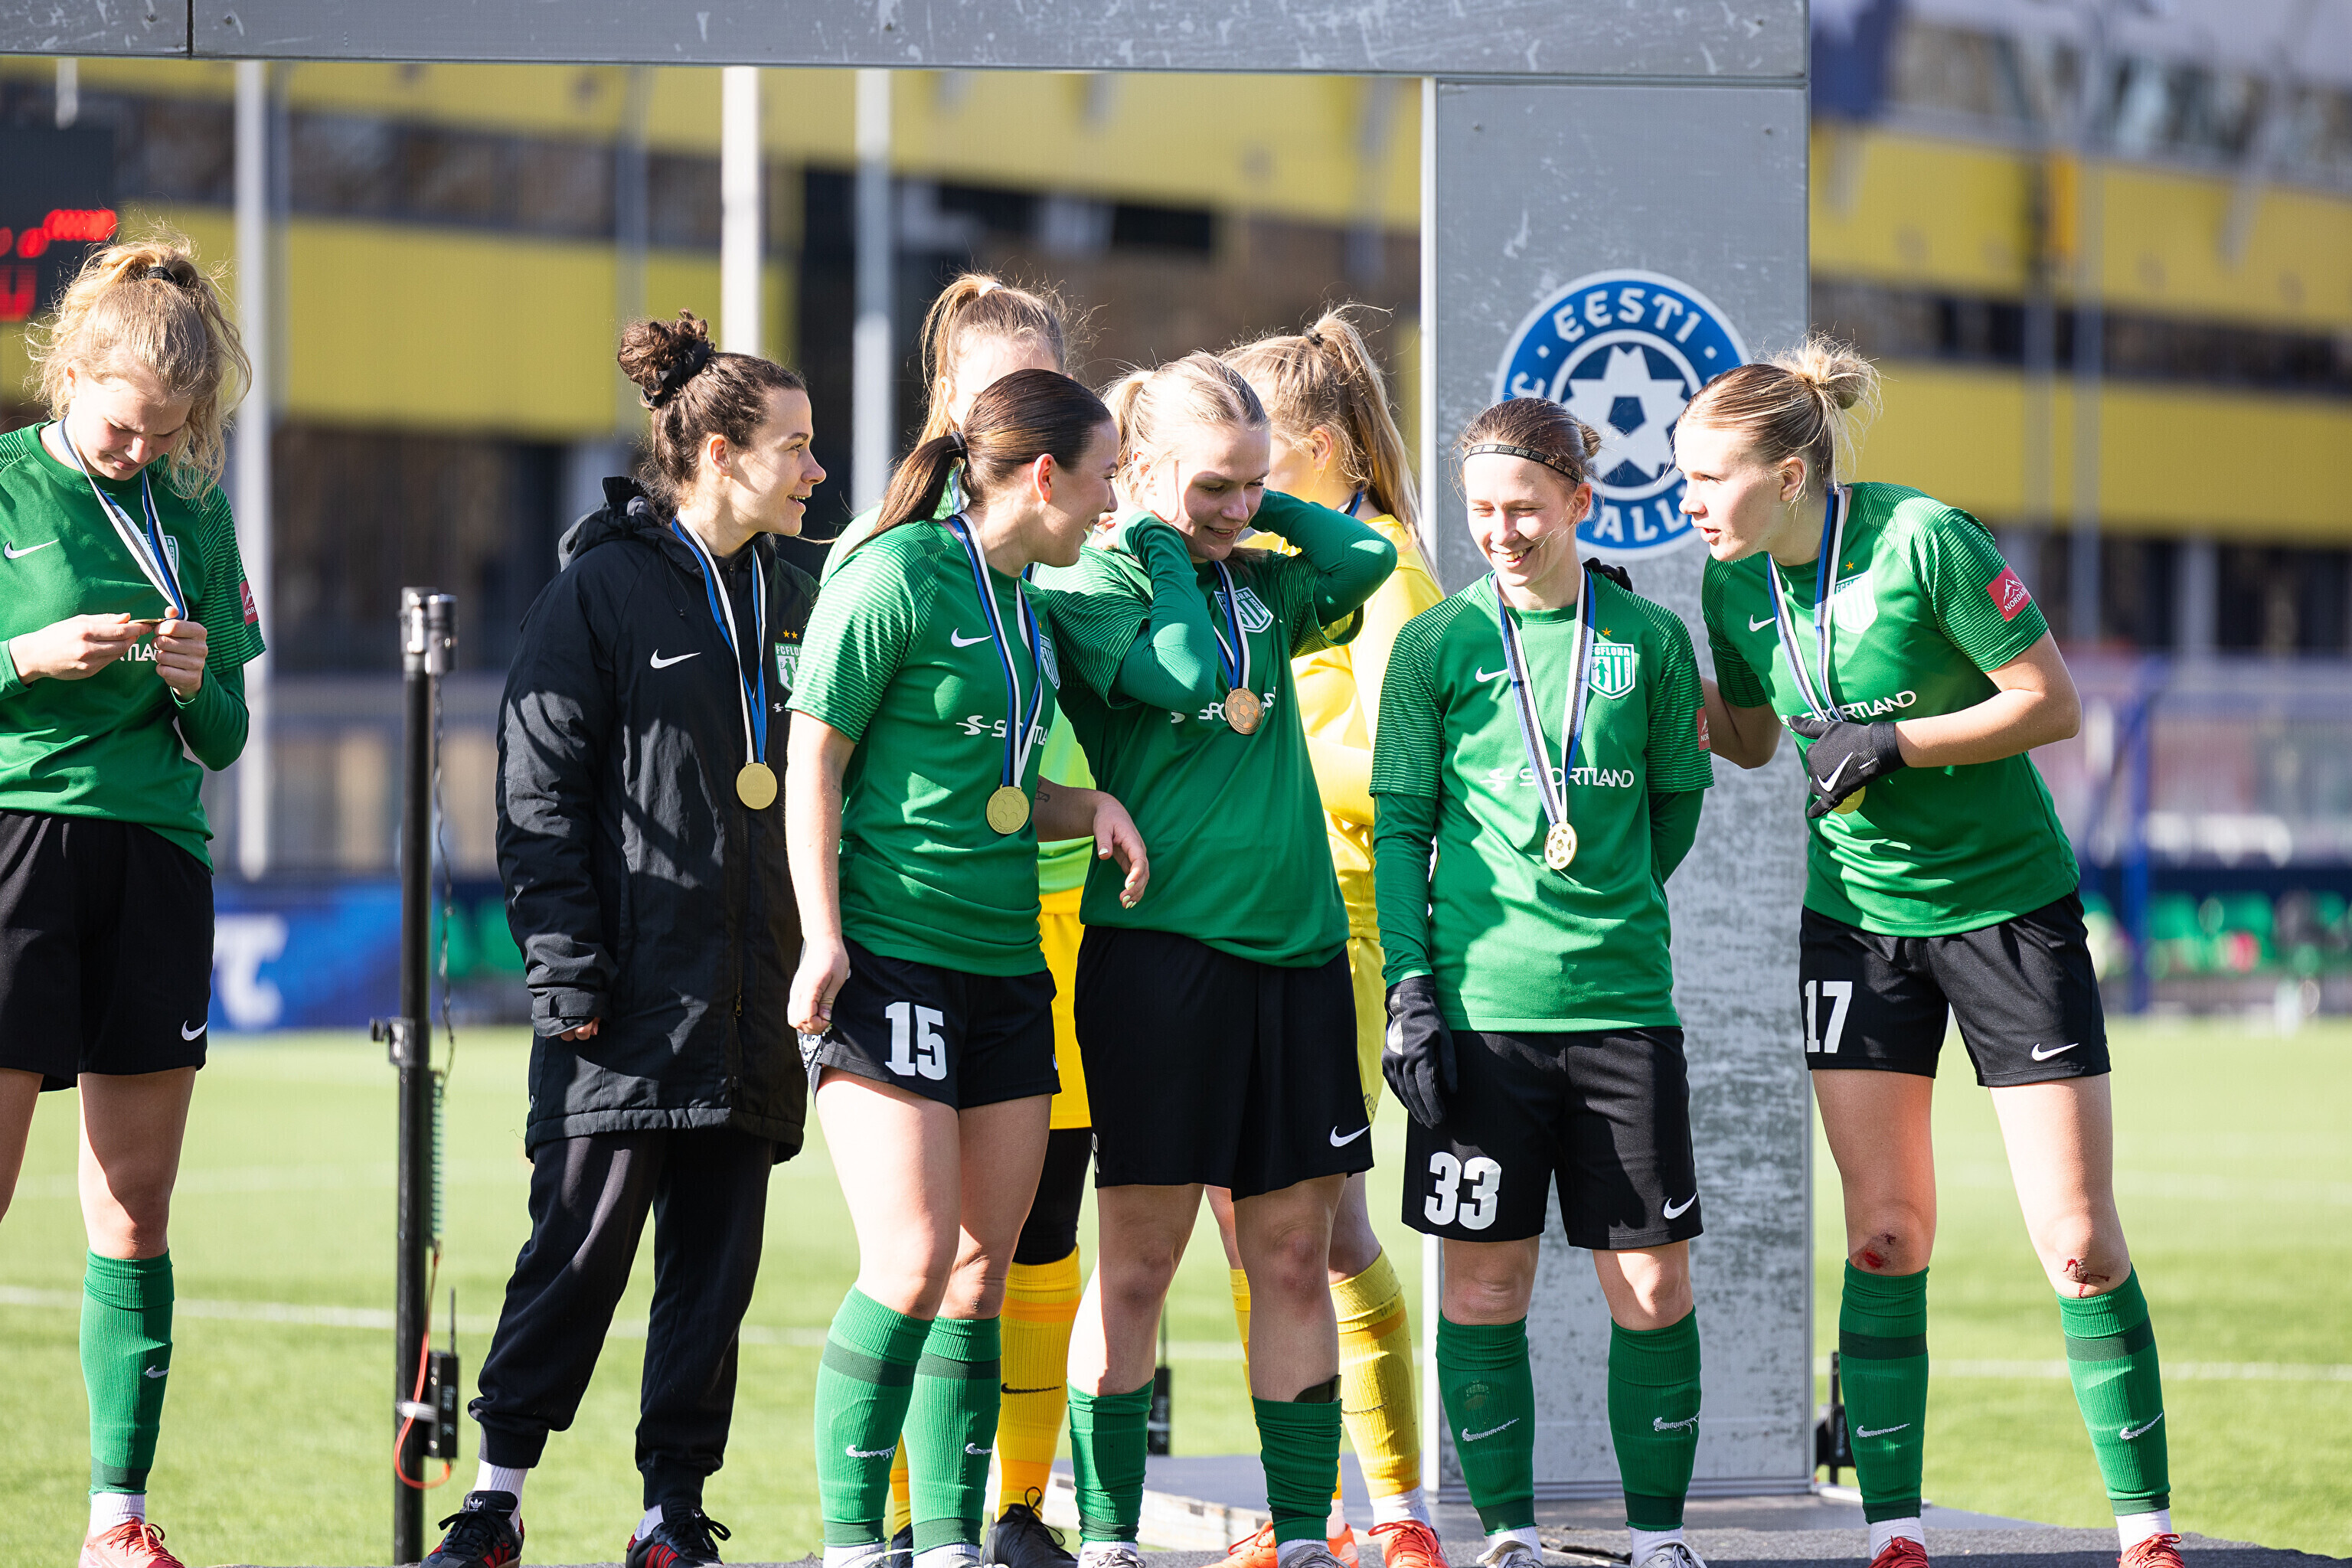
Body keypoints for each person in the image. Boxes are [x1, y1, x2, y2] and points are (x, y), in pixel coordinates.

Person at [1682, 341, 2180, 1568]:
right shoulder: (1728, 584)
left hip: (2009, 912)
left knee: (2079, 1244)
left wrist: (1900, 744)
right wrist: (1631, 659)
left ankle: (2148, 1532)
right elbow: (1749, 737)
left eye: (1707, 476)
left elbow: (2050, 702)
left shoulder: (1924, 541)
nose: (1688, 501)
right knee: (1885, 1236)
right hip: (1854, 925)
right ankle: (1895, 1534)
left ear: (1788, 476)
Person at [423, 312, 826, 1568]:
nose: (817, 471)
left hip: (754, 997)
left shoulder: (803, 592)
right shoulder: (598, 589)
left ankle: (671, 1514)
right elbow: (536, 793)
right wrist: (563, 965)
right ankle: (496, 1498)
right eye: (797, 447)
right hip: (623, 1001)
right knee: (577, 1255)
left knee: (714, 1278)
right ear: (717, 453)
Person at [1034, 353, 1396, 1568]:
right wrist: (1158, 535)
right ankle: (1108, 1538)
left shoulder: (1257, 574)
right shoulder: (1097, 579)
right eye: (1215, 488)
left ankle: (1303, 1537)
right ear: (1141, 473)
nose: (1238, 511)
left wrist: (1258, 503)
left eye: (1254, 484)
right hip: (1161, 959)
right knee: (1139, 1266)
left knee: (1292, 1257)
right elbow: (1186, 675)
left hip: (1298, 957)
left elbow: (1365, 560)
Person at [786, 368, 1150, 1568]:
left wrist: (1087, 807)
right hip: (893, 960)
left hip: (1009, 972)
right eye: (1103, 477)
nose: (1112, 504)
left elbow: (999, 794)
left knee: (983, 1273)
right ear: (1043, 475)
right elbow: (815, 760)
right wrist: (823, 935)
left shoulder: (1028, 606)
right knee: (911, 1262)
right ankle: (853, 1545)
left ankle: (948, 1544)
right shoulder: (894, 574)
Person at [1371, 400, 1716, 1568]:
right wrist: (1412, 986)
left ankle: (1659, 1541)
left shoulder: (1650, 640)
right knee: (1482, 1291)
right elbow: (1404, 830)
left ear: (1580, 500)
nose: (1502, 532)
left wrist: (1604, 899)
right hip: (1481, 1020)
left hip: (1626, 1012)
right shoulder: (1437, 645)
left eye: (1525, 508)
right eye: (1481, 510)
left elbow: (1675, 809)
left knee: (1653, 1288)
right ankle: (1510, 1536)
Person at [0, 233, 260, 1568]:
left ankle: (115, 1522)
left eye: (167, 432)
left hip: (156, 857)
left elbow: (226, 737)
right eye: (121, 424)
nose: (140, 450)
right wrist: (25, 656)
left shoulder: (195, 514)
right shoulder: (5, 485)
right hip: (17, 845)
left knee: (136, 1206)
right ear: (71, 375)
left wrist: (195, 684)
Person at [1207, 308, 1445, 1568]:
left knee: (1325, 1230)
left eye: (1260, 448)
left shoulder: (1389, 567)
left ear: (1321, 448)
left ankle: (1396, 1513)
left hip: (1337, 928)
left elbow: (1412, 767)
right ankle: (1311, 1507)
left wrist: (1257, 753)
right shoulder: (1270, 566)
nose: (1241, 475)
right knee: (1260, 1229)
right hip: (1248, 923)